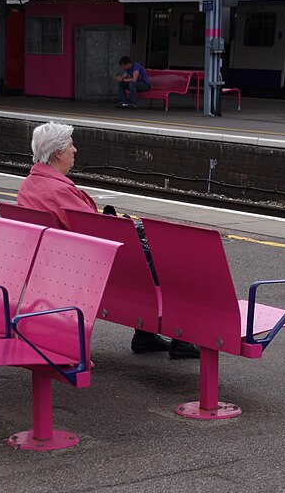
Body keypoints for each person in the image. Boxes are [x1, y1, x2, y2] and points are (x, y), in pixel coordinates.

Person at [17, 122, 201, 359]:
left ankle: (146, 336)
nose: (76, 150)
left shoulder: (30, 185)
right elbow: (97, 232)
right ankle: (182, 338)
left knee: (147, 255)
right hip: (90, 268)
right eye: (71, 145)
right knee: (174, 262)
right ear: (57, 153)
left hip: (55, 264)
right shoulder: (58, 191)